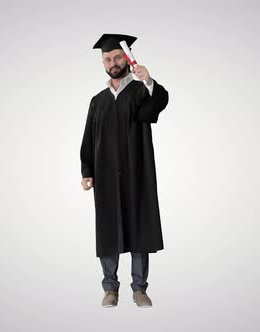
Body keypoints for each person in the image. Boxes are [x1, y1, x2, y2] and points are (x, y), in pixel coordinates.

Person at [79, 33, 169, 308]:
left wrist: (150, 81)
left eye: (118, 57)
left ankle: (139, 289)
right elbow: (88, 137)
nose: (113, 62)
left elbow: (157, 106)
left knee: (139, 228)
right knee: (108, 230)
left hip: (137, 173)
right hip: (106, 177)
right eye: (107, 59)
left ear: (127, 59)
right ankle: (110, 289)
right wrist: (87, 170)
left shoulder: (141, 91)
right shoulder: (98, 100)